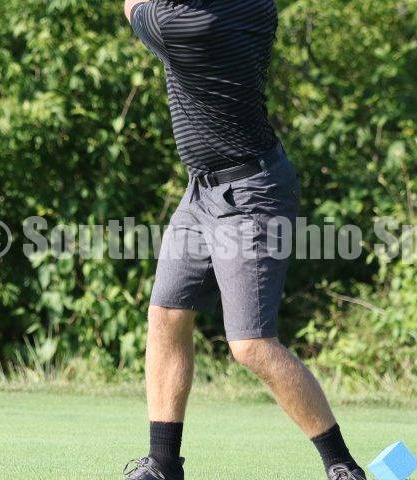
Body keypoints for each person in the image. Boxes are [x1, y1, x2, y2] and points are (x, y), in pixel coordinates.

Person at [121, 1, 367, 479]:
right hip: (202, 190)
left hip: (250, 195)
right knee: (167, 314)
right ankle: (163, 464)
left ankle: (343, 468)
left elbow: (132, 6)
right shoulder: (255, 7)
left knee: (251, 344)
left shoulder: (184, 25)